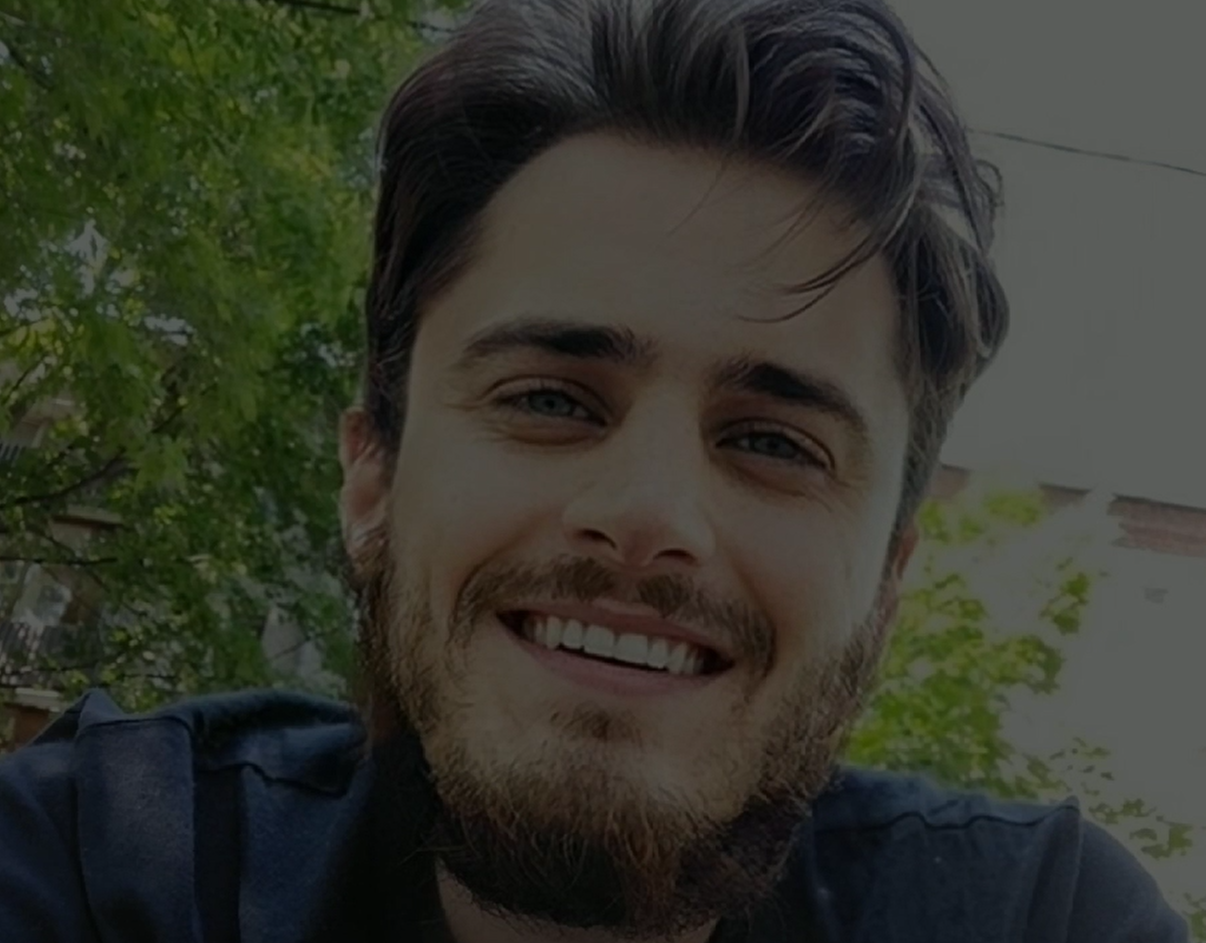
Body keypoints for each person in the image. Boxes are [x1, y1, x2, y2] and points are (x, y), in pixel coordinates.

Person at [0, 0, 1188, 940]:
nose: (647, 513)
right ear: (373, 480)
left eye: (774, 442)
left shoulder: (1042, 917)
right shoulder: (101, 868)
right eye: (550, 401)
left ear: (887, 580)